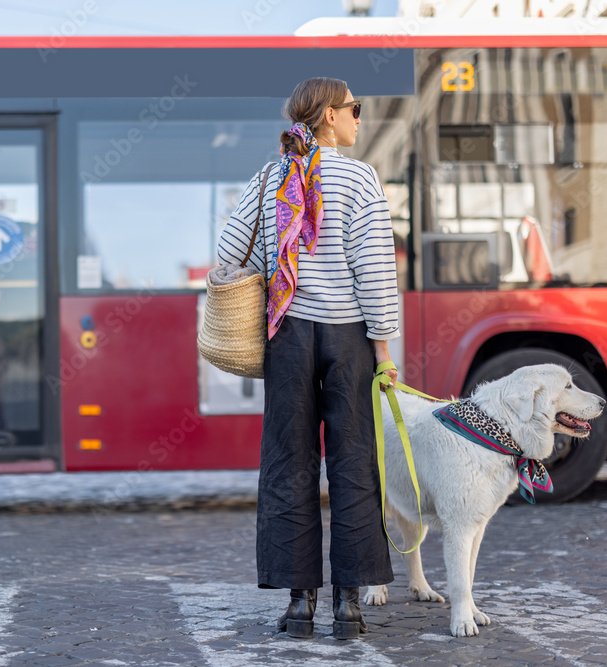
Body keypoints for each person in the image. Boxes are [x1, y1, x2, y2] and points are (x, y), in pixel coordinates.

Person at [216, 77, 400, 640]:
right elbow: (374, 271)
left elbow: (227, 251)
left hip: (288, 336)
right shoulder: (359, 177)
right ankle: (350, 605)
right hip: (347, 340)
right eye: (355, 110)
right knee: (354, 464)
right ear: (328, 117)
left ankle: (300, 606)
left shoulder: (271, 175)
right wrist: (385, 348)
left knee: (288, 466)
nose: (360, 119)